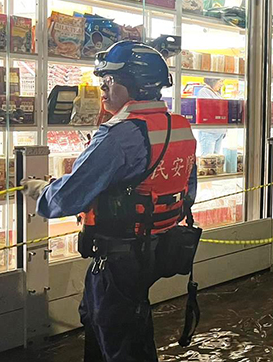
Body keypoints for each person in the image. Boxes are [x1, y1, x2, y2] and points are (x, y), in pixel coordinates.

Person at [21, 41, 199, 361]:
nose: (103, 88)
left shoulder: (118, 135)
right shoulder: (181, 126)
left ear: (127, 85)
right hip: (159, 247)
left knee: (121, 337)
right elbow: (188, 189)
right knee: (100, 317)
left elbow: (68, 198)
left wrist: (40, 191)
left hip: (119, 256)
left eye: (108, 81)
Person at [196, 77, 226, 156]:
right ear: (213, 81)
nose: (222, 84)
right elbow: (210, 109)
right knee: (208, 160)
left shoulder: (216, 93)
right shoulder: (204, 92)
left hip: (218, 132)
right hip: (209, 132)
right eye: (221, 81)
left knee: (216, 161)